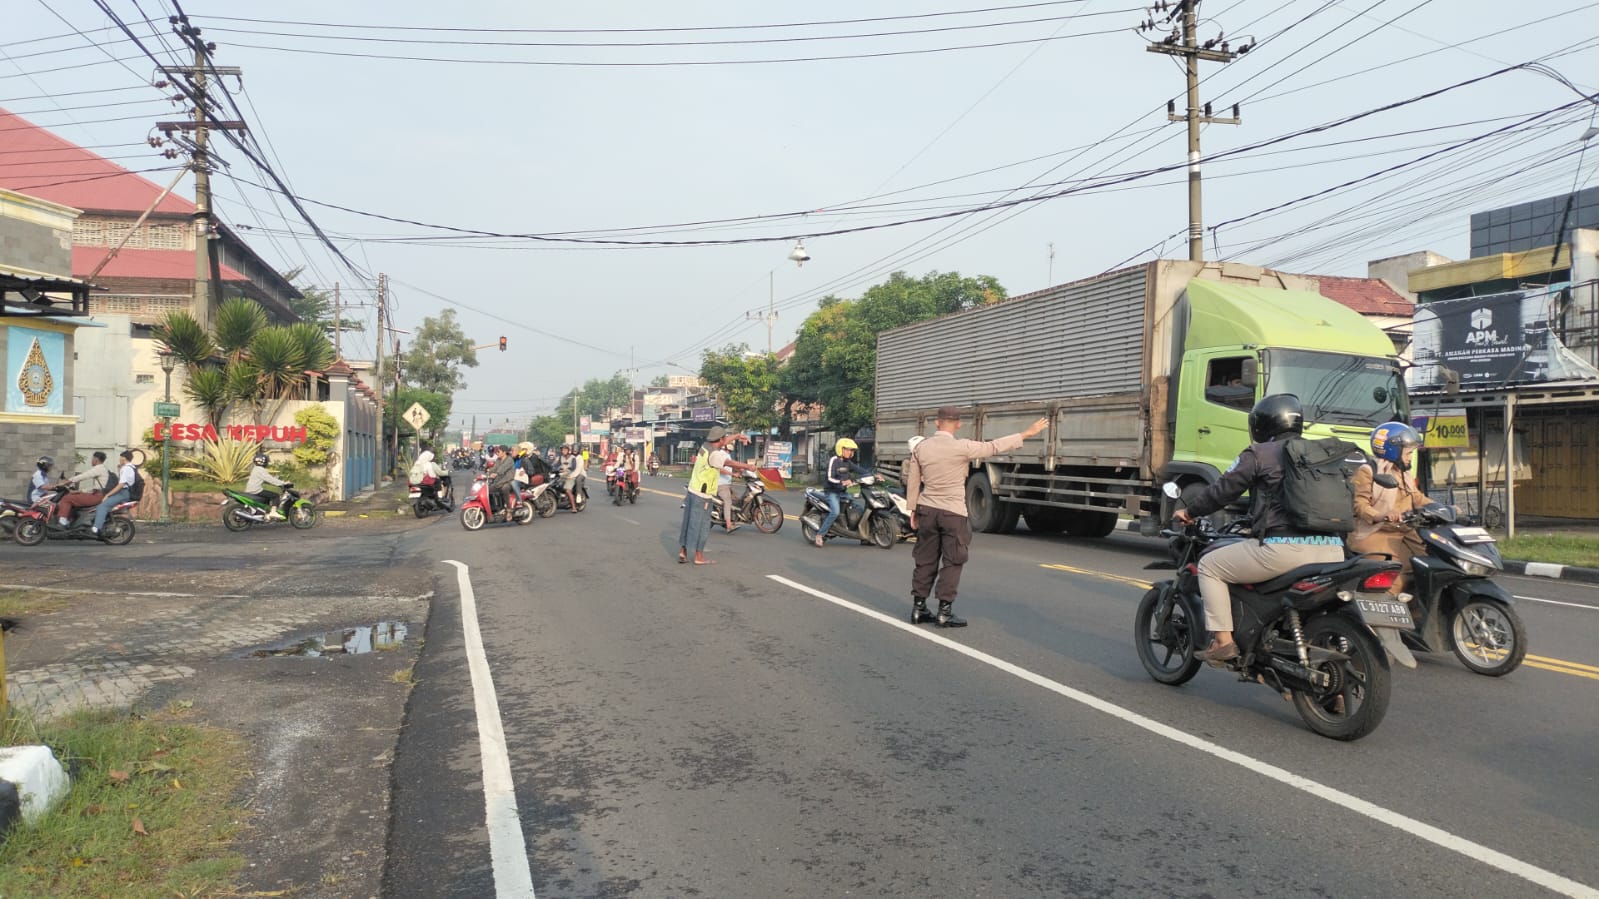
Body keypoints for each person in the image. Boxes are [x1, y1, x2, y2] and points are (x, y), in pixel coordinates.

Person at [1173, 394, 1348, 662]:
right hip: (1333, 551)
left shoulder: (1259, 453)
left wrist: (1189, 511)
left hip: (1283, 551)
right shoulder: (1321, 452)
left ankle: (1223, 642)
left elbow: (1223, 490)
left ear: (1261, 425)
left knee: (1209, 565)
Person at [905, 407, 1050, 627]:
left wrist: (913, 510)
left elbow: (914, 481)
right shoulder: (962, 447)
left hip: (927, 509)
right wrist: (1026, 433)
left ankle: (918, 608)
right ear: (958, 424)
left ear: (936, 423)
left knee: (925, 559)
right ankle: (944, 612)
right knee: (953, 561)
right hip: (953, 512)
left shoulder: (921, 448)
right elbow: (994, 447)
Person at [1348, 422, 1427, 601]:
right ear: (1393, 450)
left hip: (1406, 534)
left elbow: (1418, 498)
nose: (1410, 457)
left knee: (1427, 568)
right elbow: (1359, 505)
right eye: (1408, 453)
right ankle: (1388, 615)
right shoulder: (1368, 471)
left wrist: (1447, 508)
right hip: (1376, 533)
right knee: (1394, 577)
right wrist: (1380, 515)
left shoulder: (1405, 474)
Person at [677, 427, 725, 564]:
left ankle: (683, 551)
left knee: (688, 522)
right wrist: (747, 467)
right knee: (702, 526)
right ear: (720, 439)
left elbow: (724, 441)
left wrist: (738, 436)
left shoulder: (705, 446)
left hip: (692, 490)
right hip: (703, 496)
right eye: (724, 439)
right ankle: (698, 556)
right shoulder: (714, 454)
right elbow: (728, 463)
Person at [815, 437, 869, 547]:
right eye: (848, 450)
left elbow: (859, 470)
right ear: (841, 449)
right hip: (832, 492)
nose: (851, 452)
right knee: (835, 512)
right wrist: (842, 482)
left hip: (843, 492)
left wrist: (873, 475)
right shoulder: (834, 460)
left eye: (852, 450)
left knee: (858, 509)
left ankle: (862, 536)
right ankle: (820, 535)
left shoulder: (848, 462)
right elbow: (829, 477)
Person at [710, 433, 759, 533]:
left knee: (736, 500)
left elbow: (732, 465)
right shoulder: (720, 454)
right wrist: (733, 474)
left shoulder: (727, 454)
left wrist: (742, 471)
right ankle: (729, 525)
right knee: (728, 501)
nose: (732, 445)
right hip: (720, 485)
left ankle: (733, 518)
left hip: (726, 484)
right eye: (731, 443)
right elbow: (720, 469)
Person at [54, 451, 112, 525]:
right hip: (99, 495)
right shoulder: (104, 468)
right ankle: (71, 520)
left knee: (67, 498)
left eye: (92, 458)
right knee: (73, 496)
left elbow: (83, 476)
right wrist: (79, 491)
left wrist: (66, 482)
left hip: (97, 496)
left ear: (96, 459)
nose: (91, 460)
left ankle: (62, 522)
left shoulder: (98, 468)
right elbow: (95, 488)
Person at [92, 450, 138, 535]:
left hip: (123, 493)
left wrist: (108, 495)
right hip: (125, 492)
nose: (119, 460)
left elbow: (121, 485)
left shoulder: (126, 468)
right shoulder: (131, 467)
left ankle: (97, 527)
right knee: (106, 505)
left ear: (124, 458)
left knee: (102, 506)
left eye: (120, 458)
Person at [486, 446, 519, 519]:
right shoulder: (498, 459)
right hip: (500, 481)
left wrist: (496, 473)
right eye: (497, 452)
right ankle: (494, 508)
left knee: (504, 488)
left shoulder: (509, 459)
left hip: (508, 480)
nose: (497, 453)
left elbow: (502, 468)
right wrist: (488, 472)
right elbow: (494, 468)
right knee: (488, 489)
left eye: (499, 452)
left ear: (504, 452)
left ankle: (509, 509)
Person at [562, 444, 587, 512]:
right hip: (570, 474)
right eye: (573, 449)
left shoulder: (580, 457)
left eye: (576, 450)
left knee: (578, 480)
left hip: (580, 473)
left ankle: (578, 495)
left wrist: (571, 476)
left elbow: (578, 469)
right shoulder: (570, 456)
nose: (574, 451)